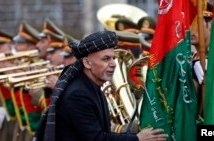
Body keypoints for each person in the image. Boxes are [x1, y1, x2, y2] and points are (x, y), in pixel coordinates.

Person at [34, 31, 168, 141]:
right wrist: (137, 138)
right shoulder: (78, 94)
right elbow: (96, 139)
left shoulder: (90, 85)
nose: (113, 63)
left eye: (113, 58)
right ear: (87, 63)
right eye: (106, 59)